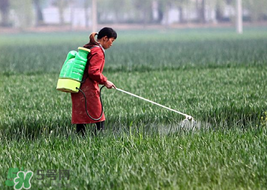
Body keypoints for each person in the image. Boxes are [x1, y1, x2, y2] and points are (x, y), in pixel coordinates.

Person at [71, 27, 117, 136]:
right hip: (88, 90)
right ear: (105, 38)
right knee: (99, 117)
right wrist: (105, 82)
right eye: (112, 40)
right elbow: (93, 72)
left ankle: (80, 141)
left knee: (81, 118)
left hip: (79, 87)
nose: (112, 44)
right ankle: (99, 140)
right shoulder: (98, 51)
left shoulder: (91, 47)